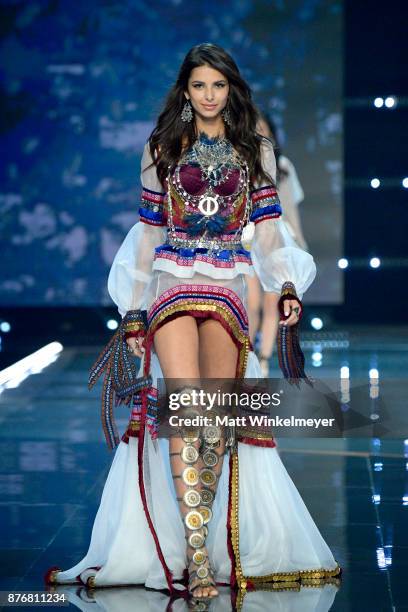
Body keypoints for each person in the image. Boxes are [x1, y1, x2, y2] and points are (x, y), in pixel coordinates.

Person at [45, 43, 341, 602]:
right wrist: (133, 307)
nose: (208, 96)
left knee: (214, 421)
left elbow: (272, 233)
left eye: (218, 86)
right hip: (170, 283)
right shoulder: (162, 147)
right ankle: (198, 557)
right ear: (185, 91)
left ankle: (203, 537)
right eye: (199, 86)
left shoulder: (256, 149)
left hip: (229, 286)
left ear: (231, 90)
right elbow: (149, 234)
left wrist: (286, 283)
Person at [243, 113, 309, 377]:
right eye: (254, 127)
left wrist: (300, 242)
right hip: (248, 237)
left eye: (263, 127)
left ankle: (264, 357)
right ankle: (246, 356)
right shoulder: (240, 162)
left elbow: (291, 208)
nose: (259, 132)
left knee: (273, 302)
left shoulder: (282, 166)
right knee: (251, 302)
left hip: (278, 237)